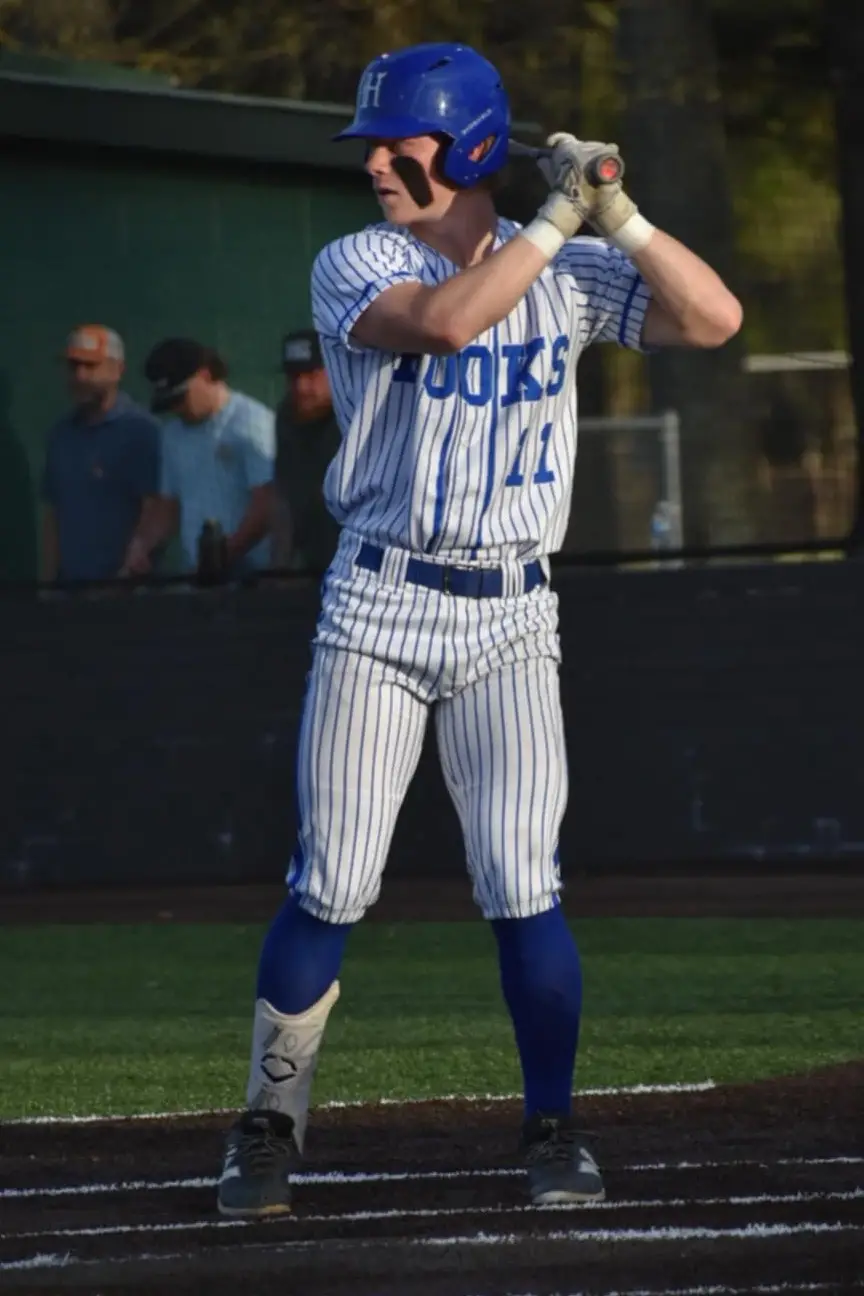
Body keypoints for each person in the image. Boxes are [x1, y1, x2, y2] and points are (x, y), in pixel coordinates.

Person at [216, 42, 742, 1217]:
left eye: (398, 145)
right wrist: (559, 217)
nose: (375, 165)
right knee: (332, 879)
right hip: (378, 602)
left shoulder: (566, 266)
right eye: (374, 147)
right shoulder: (359, 260)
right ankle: (268, 1124)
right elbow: (451, 324)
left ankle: (553, 1127)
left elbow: (715, 318)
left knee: (521, 880)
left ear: (471, 148)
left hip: (512, 611)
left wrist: (619, 211)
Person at [125, 339, 276, 579]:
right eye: (170, 403)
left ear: (205, 376)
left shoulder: (252, 423)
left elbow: (267, 503)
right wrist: (142, 545)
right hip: (198, 576)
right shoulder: (173, 436)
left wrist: (223, 556)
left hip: (252, 577)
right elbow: (167, 507)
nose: (177, 409)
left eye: (181, 398)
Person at [41, 326, 160, 583]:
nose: (80, 376)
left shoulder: (142, 431)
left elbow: (156, 509)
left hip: (127, 593)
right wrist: (48, 583)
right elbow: (53, 515)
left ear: (118, 370)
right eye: (74, 366)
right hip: (66, 591)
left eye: (91, 366)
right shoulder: (60, 435)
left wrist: (126, 575)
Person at [272, 329, 342, 572]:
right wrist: (280, 568)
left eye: (312, 375)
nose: (301, 387)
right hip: (310, 565)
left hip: (360, 566)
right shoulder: (287, 417)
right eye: (294, 377)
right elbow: (283, 498)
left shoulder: (356, 415)